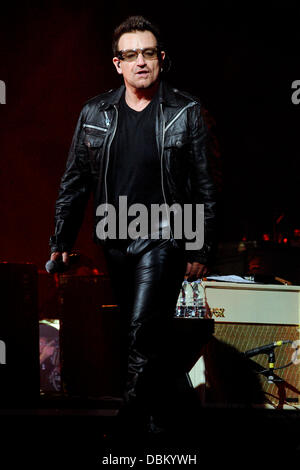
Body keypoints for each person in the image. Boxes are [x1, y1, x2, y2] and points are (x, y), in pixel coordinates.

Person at [49, 15, 217, 439]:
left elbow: (205, 183)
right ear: (117, 63)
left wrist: (199, 247)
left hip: (167, 233)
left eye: (148, 53)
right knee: (144, 333)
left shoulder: (187, 111)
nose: (140, 61)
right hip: (115, 234)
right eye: (131, 54)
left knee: (142, 330)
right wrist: (61, 241)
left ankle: (130, 423)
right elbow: (74, 181)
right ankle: (169, 422)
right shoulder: (95, 113)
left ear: (161, 59)